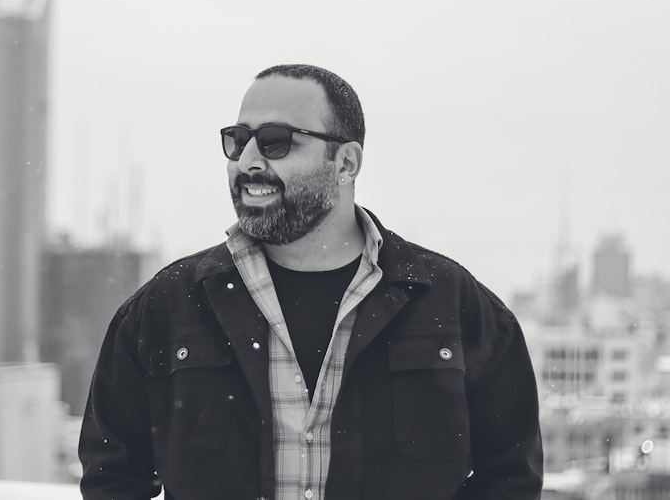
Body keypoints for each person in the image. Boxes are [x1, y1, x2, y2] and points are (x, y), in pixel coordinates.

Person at [79, 64, 543, 500]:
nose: (249, 161)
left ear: (346, 164)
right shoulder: (166, 307)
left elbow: (510, 477)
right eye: (238, 140)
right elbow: (113, 475)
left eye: (277, 141)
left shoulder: (454, 306)